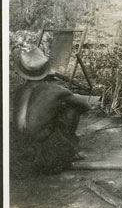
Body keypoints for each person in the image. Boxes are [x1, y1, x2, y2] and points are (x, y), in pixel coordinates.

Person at [11, 47, 90, 178]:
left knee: (51, 109)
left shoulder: (18, 91)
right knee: (72, 108)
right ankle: (71, 149)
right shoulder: (55, 90)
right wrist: (66, 98)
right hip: (43, 149)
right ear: (46, 71)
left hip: (21, 143)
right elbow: (86, 105)